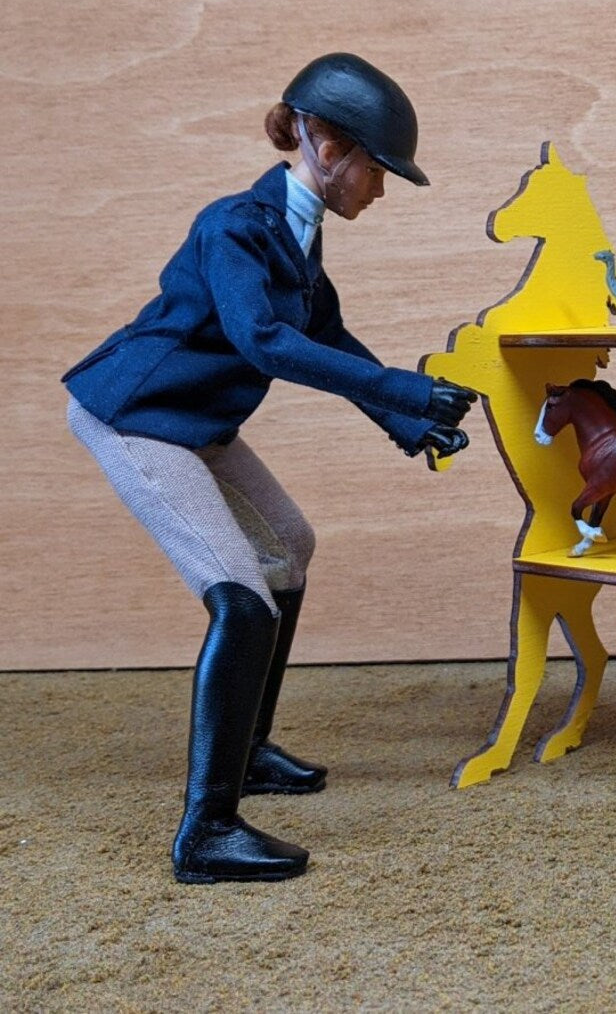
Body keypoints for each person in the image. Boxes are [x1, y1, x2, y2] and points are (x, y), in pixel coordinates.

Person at [62, 53, 477, 885]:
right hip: (137, 414)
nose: (381, 189)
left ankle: (246, 749)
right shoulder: (234, 226)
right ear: (326, 145)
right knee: (242, 597)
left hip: (199, 418)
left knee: (287, 545)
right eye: (377, 169)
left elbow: (329, 337)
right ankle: (206, 832)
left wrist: (409, 422)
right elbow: (265, 341)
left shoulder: (301, 236)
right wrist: (404, 388)